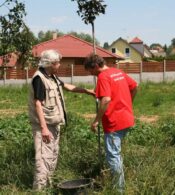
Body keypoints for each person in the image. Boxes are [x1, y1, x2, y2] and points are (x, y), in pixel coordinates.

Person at [28, 49, 94, 190]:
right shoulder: (39, 78)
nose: (59, 66)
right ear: (50, 64)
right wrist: (44, 128)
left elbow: (67, 87)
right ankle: (39, 190)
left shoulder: (51, 76)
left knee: (52, 157)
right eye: (57, 63)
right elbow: (38, 104)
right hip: (44, 127)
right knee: (43, 160)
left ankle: (48, 187)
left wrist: (87, 91)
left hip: (54, 125)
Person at [84, 54, 137, 193]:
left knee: (113, 155)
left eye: (90, 71)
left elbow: (106, 99)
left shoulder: (103, 76)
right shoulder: (117, 71)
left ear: (95, 66)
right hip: (126, 119)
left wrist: (96, 121)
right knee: (116, 153)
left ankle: (119, 190)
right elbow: (134, 86)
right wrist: (128, 104)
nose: (91, 74)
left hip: (114, 122)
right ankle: (119, 184)